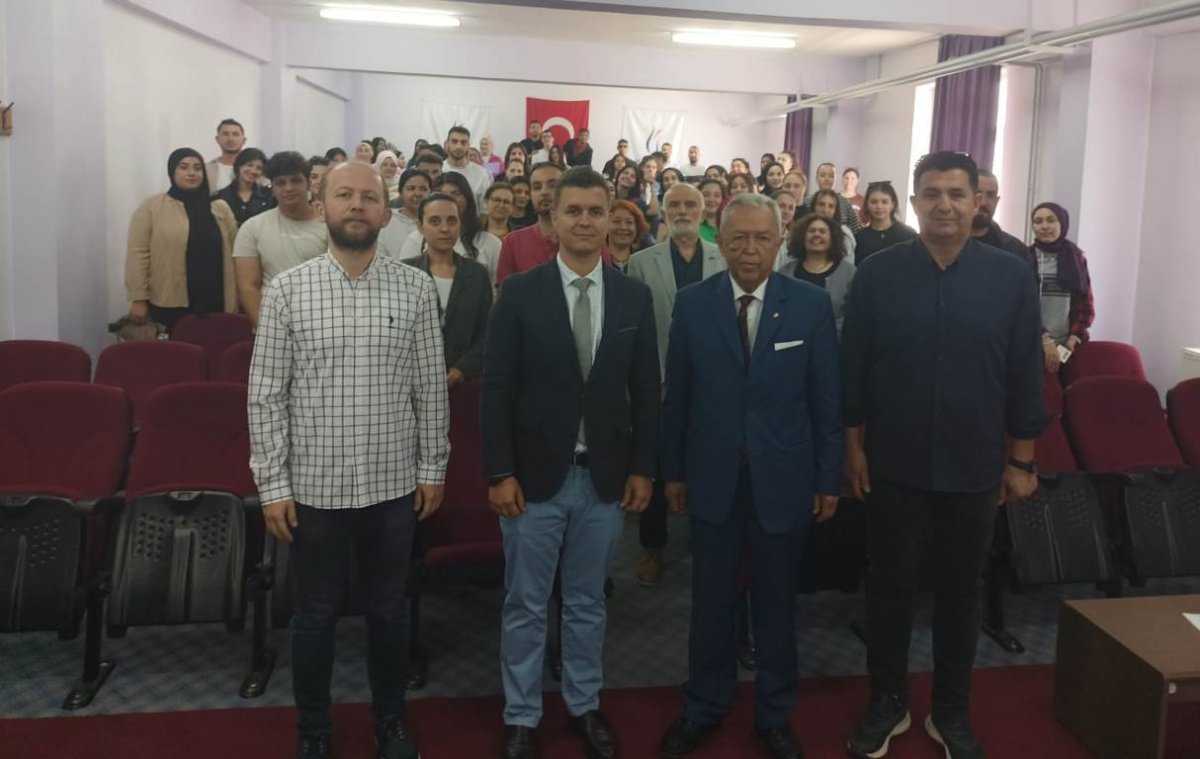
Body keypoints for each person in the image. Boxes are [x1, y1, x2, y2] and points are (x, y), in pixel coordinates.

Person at [842, 151, 1045, 759]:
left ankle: (951, 710)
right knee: (889, 586)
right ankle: (888, 702)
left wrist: (1022, 460)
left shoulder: (1010, 277)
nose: (945, 205)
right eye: (931, 194)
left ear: (977, 201)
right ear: (914, 201)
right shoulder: (877, 274)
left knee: (962, 590)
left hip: (974, 463)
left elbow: (1024, 373)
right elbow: (853, 370)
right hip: (893, 460)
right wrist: (852, 447)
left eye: (957, 194)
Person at [249, 160, 448, 759]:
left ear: (387, 213)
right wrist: (272, 485)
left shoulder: (415, 289)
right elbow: (266, 394)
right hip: (314, 490)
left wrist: (433, 468)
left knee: (389, 611)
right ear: (322, 206)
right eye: (344, 195)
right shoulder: (287, 290)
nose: (356, 205)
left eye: (368, 197)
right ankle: (314, 729)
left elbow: (430, 388)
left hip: (393, 488)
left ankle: (391, 720)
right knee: (314, 616)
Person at [482, 166, 659, 759]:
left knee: (588, 603)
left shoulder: (633, 295)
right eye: (574, 211)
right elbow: (496, 391)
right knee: (526, 604)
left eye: (595, 211)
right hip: (532, 480)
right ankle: (521, 715)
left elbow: (646, 390)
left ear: (610, 220)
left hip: (604, 479)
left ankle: (584, 704)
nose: (585, 221)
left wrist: (642, 467)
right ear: (552, 220)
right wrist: (499, 472)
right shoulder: (519, 294)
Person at [658, 193, 842, 759]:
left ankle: (774, 713)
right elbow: (677, 396)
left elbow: (826, 401)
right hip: (711, 475)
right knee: (710, 602)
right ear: (720, 238)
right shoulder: (693, 303)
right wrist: (673, 473)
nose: (749, 249)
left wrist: (827, 478)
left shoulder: (810, 305)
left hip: (784, 475)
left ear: (780, 240)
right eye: (738, 237)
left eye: (762, 238)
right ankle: (704, 705)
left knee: (776, 604)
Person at [626, 184, 726, 587]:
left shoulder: (723, 257)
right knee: (655, 462)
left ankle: (705, 539)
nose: (682, 211)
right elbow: (635, 328)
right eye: (674, 205)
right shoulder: (641, 262)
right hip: (659, 380)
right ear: (663, 212)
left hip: (712, 380)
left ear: (703, 211)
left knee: (706, 461)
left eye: (690, 204)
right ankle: (652, 546)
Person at [126, 148, 239, 332]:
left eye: (197, 168)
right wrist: (138, 298)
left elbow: (236, 252)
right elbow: (138, 254)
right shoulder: (152, 207)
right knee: (178, 349)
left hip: (216, 299)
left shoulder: (220, 208)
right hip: (170, 301)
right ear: (172, 172)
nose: (192, 173)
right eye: (184, 167)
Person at [402, 192, 493, 386]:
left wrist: (462, 369)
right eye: (435, 221)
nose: (445, 229)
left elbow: (487, 330)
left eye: (452, 221)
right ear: (420, 226)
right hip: (411, 381)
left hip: (465, 382)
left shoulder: (477, 274)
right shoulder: (404, 273)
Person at [233, 151, 328, 326]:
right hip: (274, 325)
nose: (289, 188)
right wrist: (267, 330)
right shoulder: (252, 228)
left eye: (295, 180)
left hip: (326, 322)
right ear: (273, 188)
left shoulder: (330, 225)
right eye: (281, 183)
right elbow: (248, 287)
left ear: (308, 184)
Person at [398, 172, 501, 286]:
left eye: (455, 194)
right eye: (440, 194)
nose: (448, 200)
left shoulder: (490, 243)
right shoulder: (416, 239)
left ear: (467, 198)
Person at [1029, 202, 1095, 374]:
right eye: (1038, 221)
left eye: (1051, 220)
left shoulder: (1077, 258)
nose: (1044, 226)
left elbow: (1086, 304)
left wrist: (1073, 338)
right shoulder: (1025, 257)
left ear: (1062, 223)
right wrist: (1045, 340)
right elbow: (1022, 307)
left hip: (1069, 346)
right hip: (1033, 343)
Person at [781, 213, 855, 336]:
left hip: (834, 342)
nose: (816, 234)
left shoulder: (849, 273)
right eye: (811, 231)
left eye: (822, 231)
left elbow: (853, 315)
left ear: (832, 238)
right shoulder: (785, 272)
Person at [970, 169, 1031, 262]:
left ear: (997, 201)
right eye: (977, 194)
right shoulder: (947, 246)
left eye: (990, 195)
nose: (983, 202)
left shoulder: (1017, 251)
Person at [853, 181, 918, 266]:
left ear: (893, 204)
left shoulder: (908, 235)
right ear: (867, 205)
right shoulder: (860, 238)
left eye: (884, 202)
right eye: (874, 202)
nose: (879, 206)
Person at [214, 148, 275, 226]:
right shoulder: (220, 196)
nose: (253, 171)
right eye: (249, 165)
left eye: (259, 168)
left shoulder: (269, 195)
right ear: (239, 166)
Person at [378, 168, 431, 257]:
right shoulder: (387, 221)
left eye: (423, 189)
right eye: (411, 188)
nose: (417, 193)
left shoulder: (437, 222)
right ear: (400, 192)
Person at [443, 126, 493, 208]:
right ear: (446, 144)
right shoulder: (438, 170)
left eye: (463, 142)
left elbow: (485, 209)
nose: (459, 146)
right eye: (454, 141)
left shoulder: (482, 174)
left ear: (468, 146)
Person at [812, 162, 863, 233]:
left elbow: (856, 232)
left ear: (835, 179)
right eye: (823, 175)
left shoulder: (845, 203)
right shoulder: (809, 202)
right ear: (817, 178)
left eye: (831, 176)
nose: (827, 179)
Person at [810, 188, 857, 261]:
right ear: (814, 207)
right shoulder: (803, 230)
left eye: (831, 206)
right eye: (821, 204)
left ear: (836, 210)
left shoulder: (844, 235)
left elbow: (848, 265)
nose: (825, 210)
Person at [607, 199, 651, 272]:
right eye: (616, 221)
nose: (623, 227)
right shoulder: (596, 260)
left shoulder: (646, 262)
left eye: (629, 222)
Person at [206, 118, 247, 194]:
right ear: (217, 139)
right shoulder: (207, 170)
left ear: (244, 140)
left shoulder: (256, 169)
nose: (230, 139)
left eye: (235, 134)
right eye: (225, 134)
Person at [698, 178, 726, 243]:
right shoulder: (691, 226)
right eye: (706, 195)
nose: (711, 199)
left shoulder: (730, 225)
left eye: (716, 195)